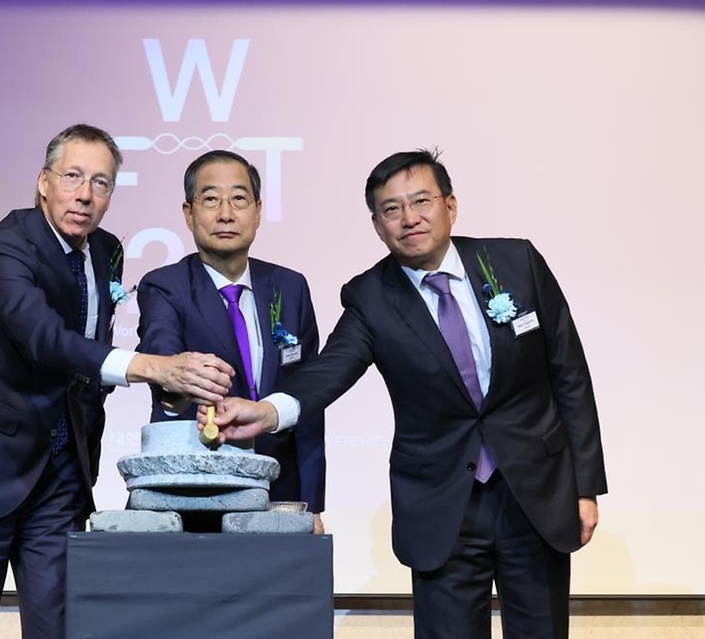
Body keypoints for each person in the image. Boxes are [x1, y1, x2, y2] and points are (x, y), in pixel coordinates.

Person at [203, 149, 607, 638]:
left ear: (450, 205)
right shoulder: (371, 296)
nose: (409, 218)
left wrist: (585, 487)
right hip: (442, 503)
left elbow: (569, 375)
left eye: (421, 201)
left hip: (535, 492)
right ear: (377, 225)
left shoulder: (516, 260)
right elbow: (330, 369)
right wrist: (269, 411)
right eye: (391, 209)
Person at [0, 124, 235, 639]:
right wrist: (151, 365)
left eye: (101, 183)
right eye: (73, 177)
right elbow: (44, 339)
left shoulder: (106, 248)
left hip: (61, 473)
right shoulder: (7, 248)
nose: (85, 194)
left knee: (60, 628)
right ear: (44, 182)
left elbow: (86, 355)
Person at [136, 150, 326, 532]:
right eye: (210, 199)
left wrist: (313, 504)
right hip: (192, 493)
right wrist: (178, 388)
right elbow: (163, 361)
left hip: (279, 494)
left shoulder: (290, 287)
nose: (226, 213)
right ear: (188, 213)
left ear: (257, 210)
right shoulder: (165, 286)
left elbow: (309, 397)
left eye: (239, 199)